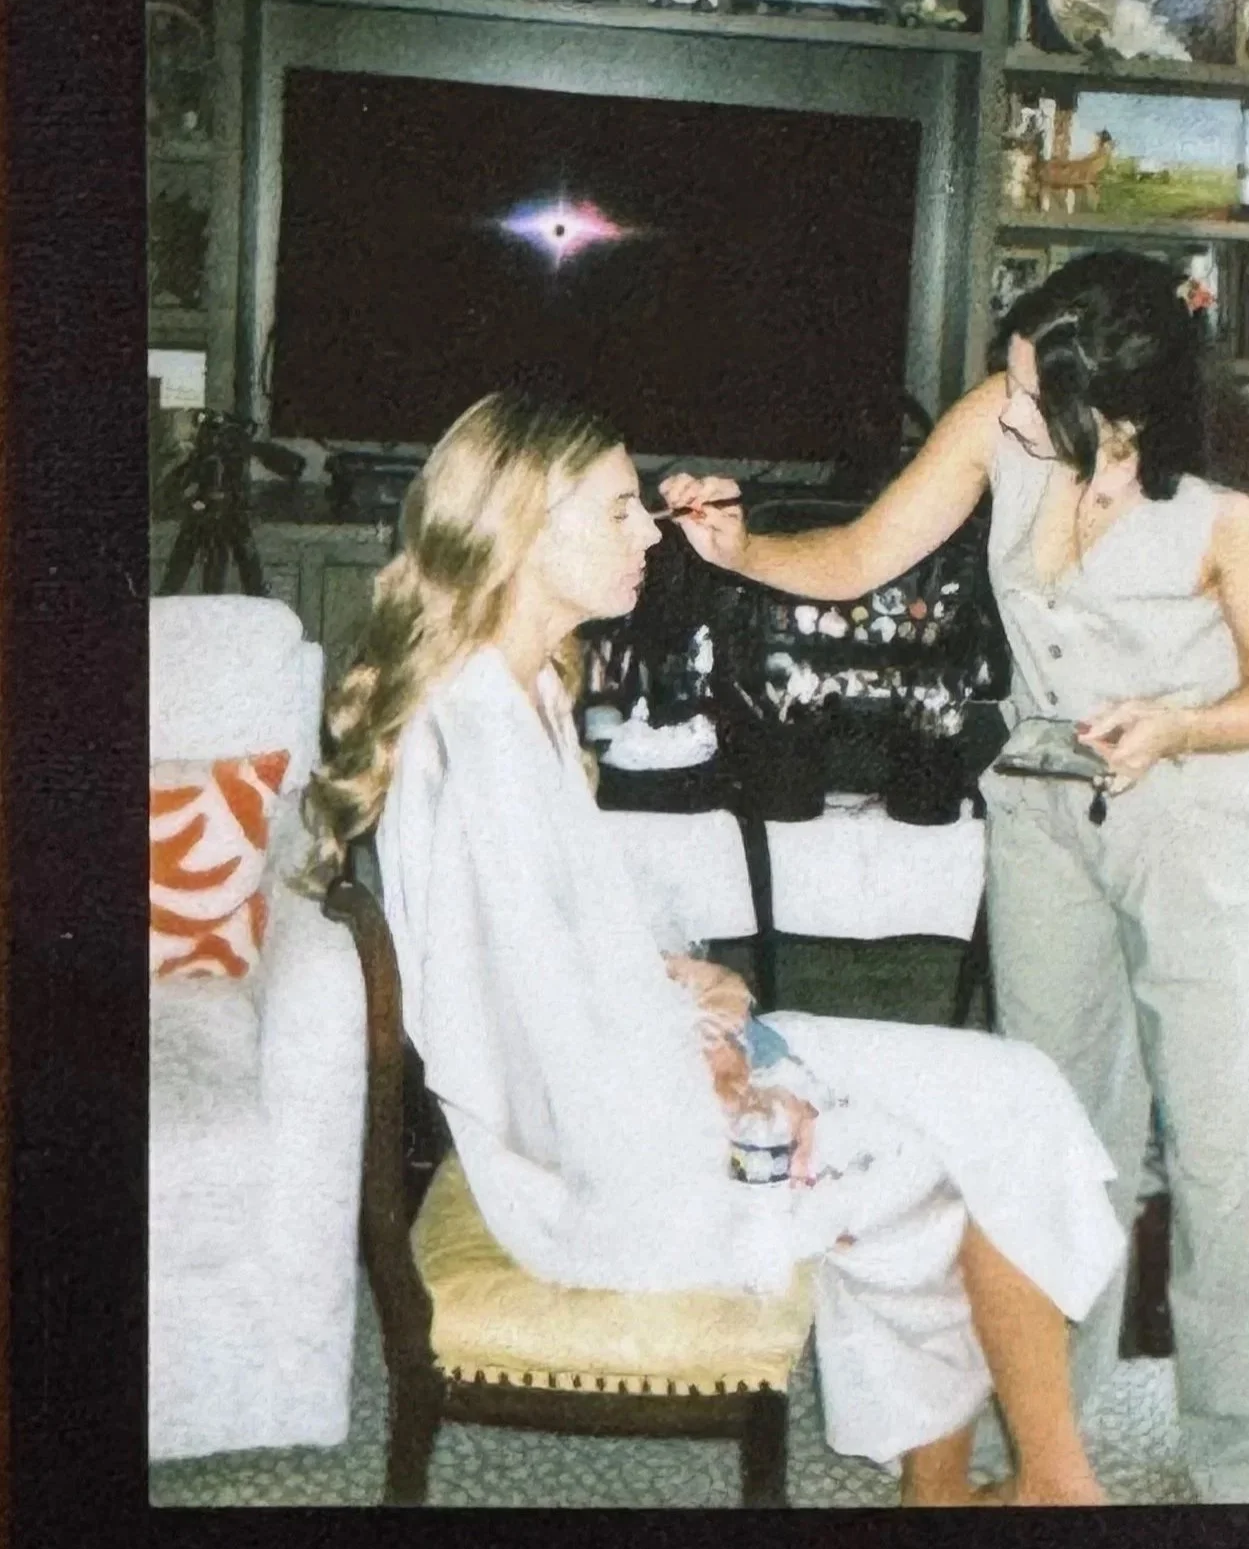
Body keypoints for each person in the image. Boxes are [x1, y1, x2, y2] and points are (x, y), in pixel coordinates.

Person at [299, 388, 1123, 1507]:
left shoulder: (525, 683)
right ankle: (1036, 1490)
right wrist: (721, 1092)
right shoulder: (478, 734)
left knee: (1010, 1082)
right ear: (521, 531)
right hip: (606, 1170)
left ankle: (1006, 1485)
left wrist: (675, 986)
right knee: (951, 1156)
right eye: (617, 511)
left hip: (637, 1082)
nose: (649, 534)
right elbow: (523, 1041)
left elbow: (551, 954)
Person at [663, 250, 1249, 1502]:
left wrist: (1179, 726)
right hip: (1042, 813)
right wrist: (741, 549)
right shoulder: (1002, 415)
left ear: (1122, 413)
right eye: (1009, 382)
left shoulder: (1236, 519)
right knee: (1053, 1118)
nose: (1007, 411)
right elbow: (859, 553)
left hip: (1198, 821)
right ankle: (1049, 1425)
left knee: (1231, 1149)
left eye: (1035, 397)